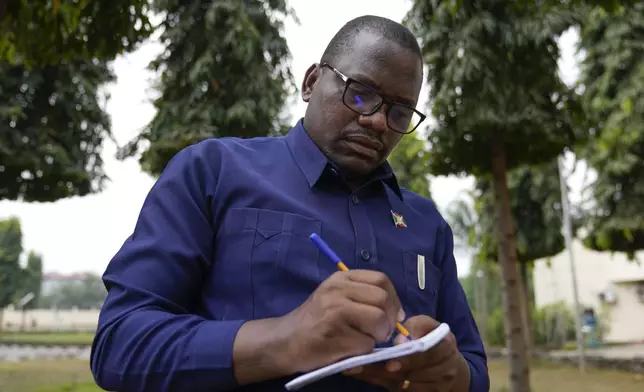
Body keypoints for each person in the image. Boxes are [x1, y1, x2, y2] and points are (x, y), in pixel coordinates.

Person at [90, 15, 489, 392]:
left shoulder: (426, 223)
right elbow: (120, 344)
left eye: (400, 112)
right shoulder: (213, 172)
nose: (378, 122)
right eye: (361, 94)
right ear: (312, 82)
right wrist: (288, 338)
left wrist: (451, 374)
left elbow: (473, 368)